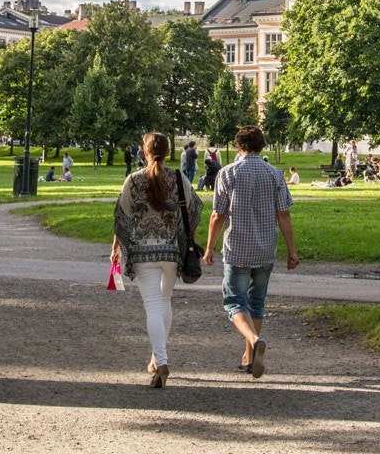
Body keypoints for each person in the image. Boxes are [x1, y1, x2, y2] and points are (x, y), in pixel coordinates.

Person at [202, 125, 298, 379]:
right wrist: (291, 250)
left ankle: (254, 341)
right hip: (266, 249)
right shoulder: (275, 174)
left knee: (234, 302)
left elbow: (217, 215)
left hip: (237, 250)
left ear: (238, 146)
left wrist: (210, 247)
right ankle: (248, 357)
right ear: (262, 145)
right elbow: (284, 214)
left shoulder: (228, 173)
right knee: (256, 303)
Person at [111, 131, 201, 388]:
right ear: (168, 150)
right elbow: (194, 211)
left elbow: (121, 217)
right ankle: (156, 356)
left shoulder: (133, 180)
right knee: (164, 302)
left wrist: (116, 247)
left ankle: (161, 360)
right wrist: (187, 240)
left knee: (152, 305)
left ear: (145, 152)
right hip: (172, 252)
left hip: (142, 253)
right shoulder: (178, 177)